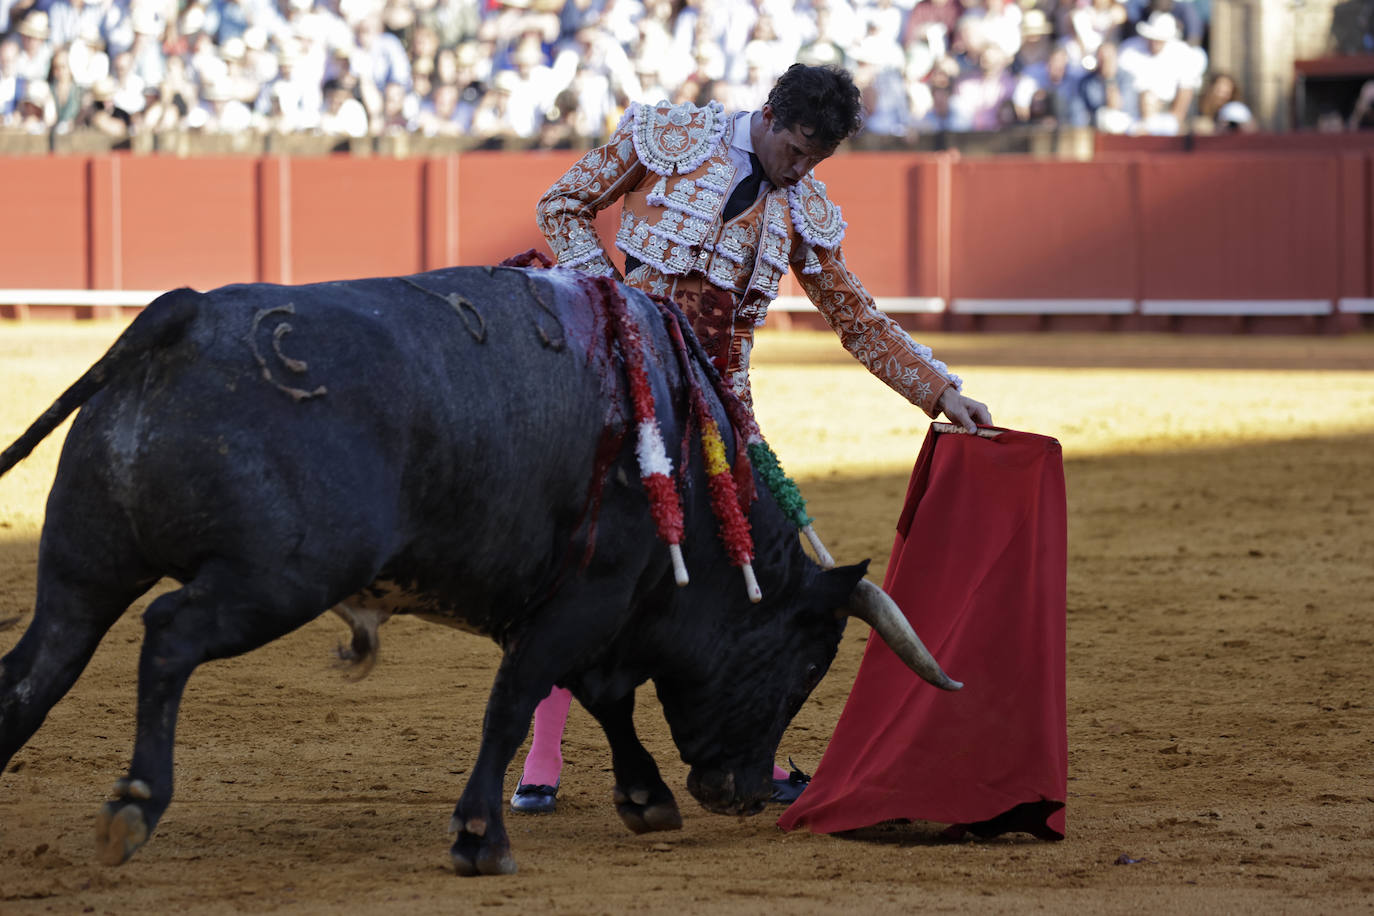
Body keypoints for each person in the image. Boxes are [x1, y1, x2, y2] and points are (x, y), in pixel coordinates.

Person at [518, 63, 992, 815]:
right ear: (769, 115)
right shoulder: (672, 137)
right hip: (618, 383)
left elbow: (856, 317)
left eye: (816, 161)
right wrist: (608, 298)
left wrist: (940, 392)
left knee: (754, 577)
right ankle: (541, 762)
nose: (800, 170)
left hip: (720, 415)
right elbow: (563, 205)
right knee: (584, 563)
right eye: (795, 150)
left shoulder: (806, 207)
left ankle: (748, 756)